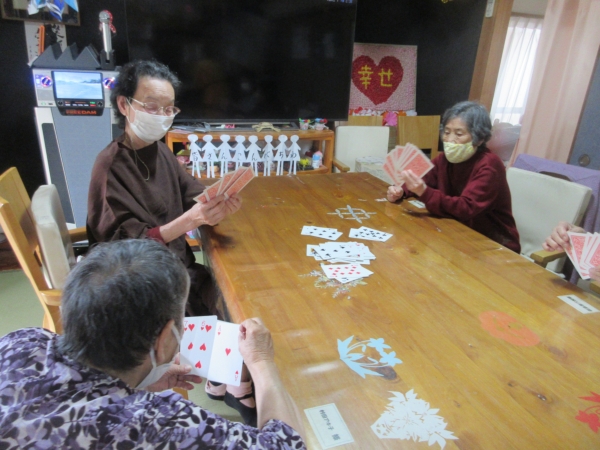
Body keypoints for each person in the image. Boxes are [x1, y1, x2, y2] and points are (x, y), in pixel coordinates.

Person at [0, 239, 306, 448]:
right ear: (163, 339)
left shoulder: (22, 340)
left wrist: (138, 383)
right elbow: (287, 445)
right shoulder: (155, 423)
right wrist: (261, 360)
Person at [87, 60, 241, 318]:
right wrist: (191, 220)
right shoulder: (110, 166)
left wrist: (217, 201)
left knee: (239, 294)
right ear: (124, 105)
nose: (162, 116)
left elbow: (191, 191)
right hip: (142, 287)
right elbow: (125, 251)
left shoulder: (159, 149)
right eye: (151, 107)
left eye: (169, 109)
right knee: (231, 308)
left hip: (179, 269)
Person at [387, 101, 521, 253]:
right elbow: (423, 178)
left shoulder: (490, 165)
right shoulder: (444, 158)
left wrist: (424, 192)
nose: (450, 140)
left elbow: (466, 208)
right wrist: (401, 191)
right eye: (446, 132)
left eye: (459, 134)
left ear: (480, 138)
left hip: (493, 245)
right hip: (457, 231)